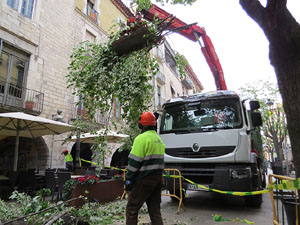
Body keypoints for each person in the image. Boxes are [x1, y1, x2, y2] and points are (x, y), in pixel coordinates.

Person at [125, 111, 165, 225]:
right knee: (155, 211)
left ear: (141, 124)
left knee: (132, 209)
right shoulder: (159, 140)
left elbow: (134, 162)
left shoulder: (141, 139)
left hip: (144, 180)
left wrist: (129, 178)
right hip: (157, 180)